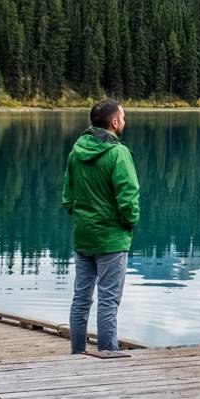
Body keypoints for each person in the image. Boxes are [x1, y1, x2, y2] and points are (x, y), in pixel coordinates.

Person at [61, 98, 139, 355]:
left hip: (83, 237)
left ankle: (77, 354)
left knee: (81, 300)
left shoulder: (75, 152)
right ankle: (107, 356)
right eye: (123, 118)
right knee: (108, 301)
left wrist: (83, 217)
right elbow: (128, 197)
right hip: (111, 239)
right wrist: (128, 224)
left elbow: (68, 197)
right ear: (114, 123)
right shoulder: (118, 154)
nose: (125, 122)